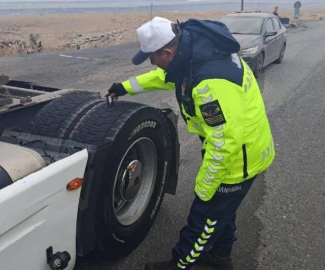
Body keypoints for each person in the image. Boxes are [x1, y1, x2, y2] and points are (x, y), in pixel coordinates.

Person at [105, 17, 275, 270]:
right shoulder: (198, 53)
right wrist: (124, 87)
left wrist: (205, 188)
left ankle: (181, 263)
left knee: (204, 216)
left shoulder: (210, 83)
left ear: (168, 52)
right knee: (222, 214)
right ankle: (220, 257)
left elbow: (225, 142)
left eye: (153, 57)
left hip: (238, 159)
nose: (153, 63)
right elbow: (164, 77)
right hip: (246, 146)